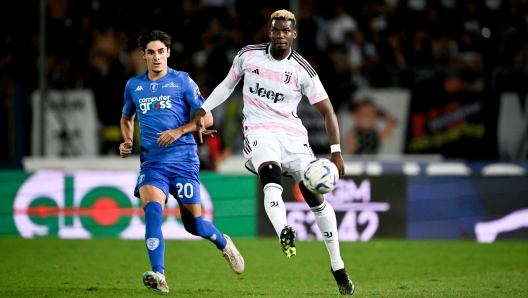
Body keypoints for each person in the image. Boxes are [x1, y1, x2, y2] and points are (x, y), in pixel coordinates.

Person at [194, 10, 355, 295]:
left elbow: (328, 111)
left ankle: (338, 266)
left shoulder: (303, 70)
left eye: (286, 31)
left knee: (315, 198)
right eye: (276, 30)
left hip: (293, 136)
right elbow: (226, 86)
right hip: (258, 130)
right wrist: (204, 108)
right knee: (271, 176)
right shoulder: (248, 56)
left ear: (294, 35)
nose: (280, 35)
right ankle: (284, 231)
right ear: (270, 32)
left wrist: (336, 151)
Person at [119, 30, 244, 293]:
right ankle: (159, 275)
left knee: (194, 225)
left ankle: (223, 243)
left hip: (183, 161)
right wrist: (128, 140)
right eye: (151, 52)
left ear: (168, 53)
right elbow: (126, 117)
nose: (156, 57)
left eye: (161, 52)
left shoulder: (182, 81)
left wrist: (179, 130)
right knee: (153, 210)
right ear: (143, 55)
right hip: (152, 163)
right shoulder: (134, 86)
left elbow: (207, 119)